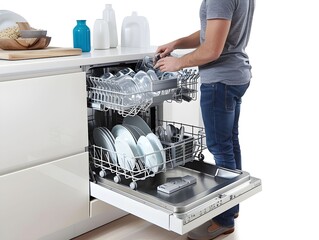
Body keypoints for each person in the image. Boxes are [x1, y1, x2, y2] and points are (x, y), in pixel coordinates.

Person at [154, 0, 255, 239]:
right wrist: (177, 43)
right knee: (229, 144)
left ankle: (223, 219)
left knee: (220, 148)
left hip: (220, 81)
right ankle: (232, 206)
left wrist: (179, 62)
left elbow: (212, 49)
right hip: (236, 75)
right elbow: (213, 30)